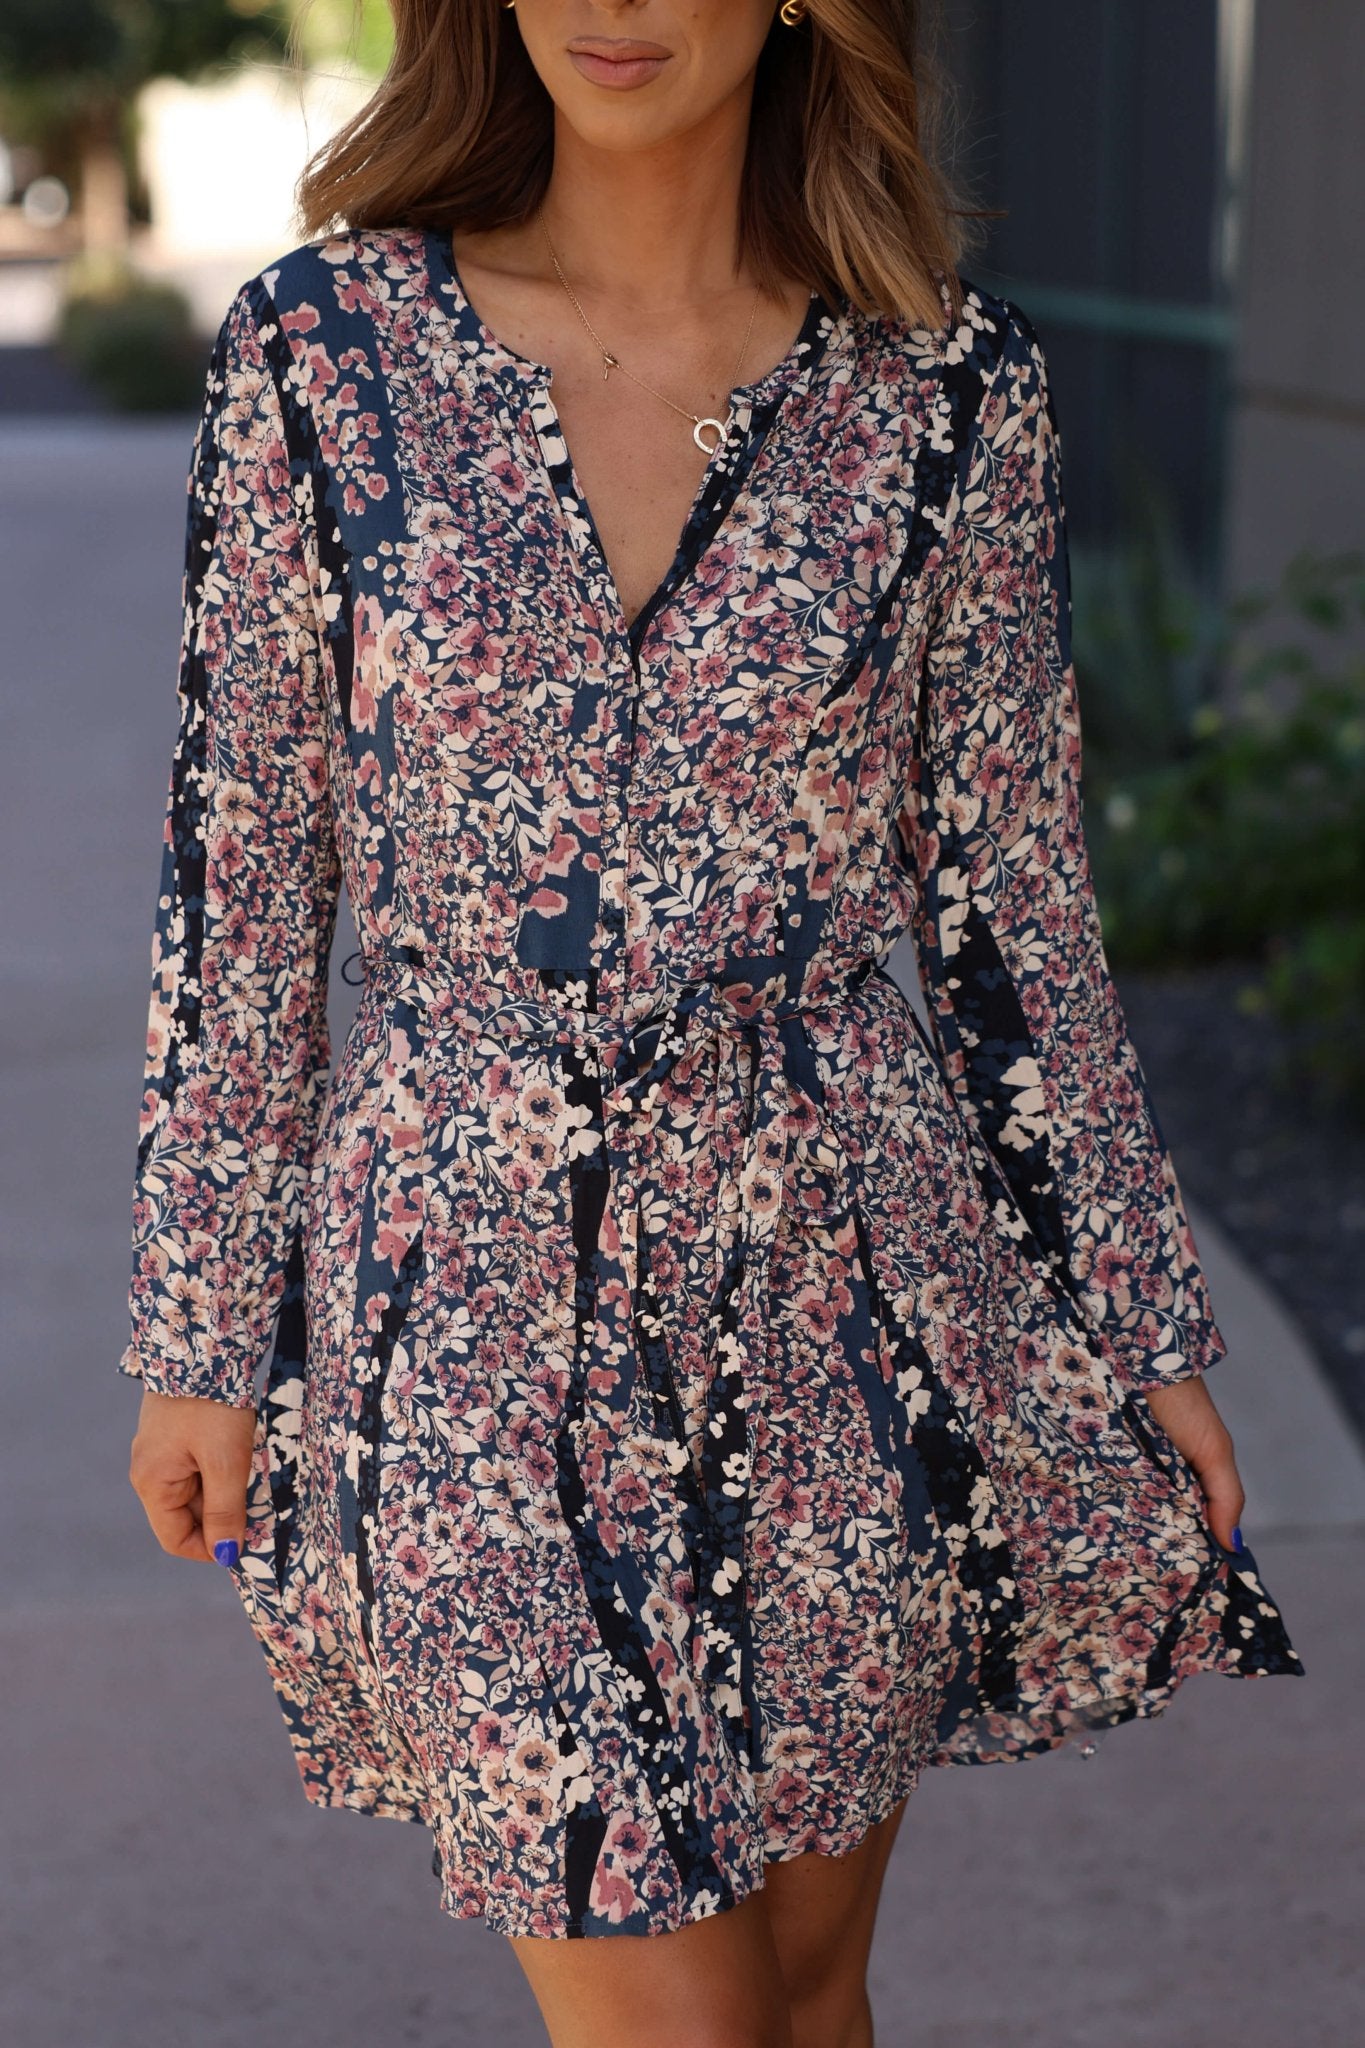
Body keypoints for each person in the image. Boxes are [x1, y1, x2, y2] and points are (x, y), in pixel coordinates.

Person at [119, 4, 1303, 2044]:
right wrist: (201, 1331)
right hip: (463, 1294)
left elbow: (1008, 897)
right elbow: (242, 875)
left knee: (801, 1991)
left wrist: (1137, 1315)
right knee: (677, 2025)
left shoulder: (943, 389)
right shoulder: (323, 357)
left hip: (838, 1273)